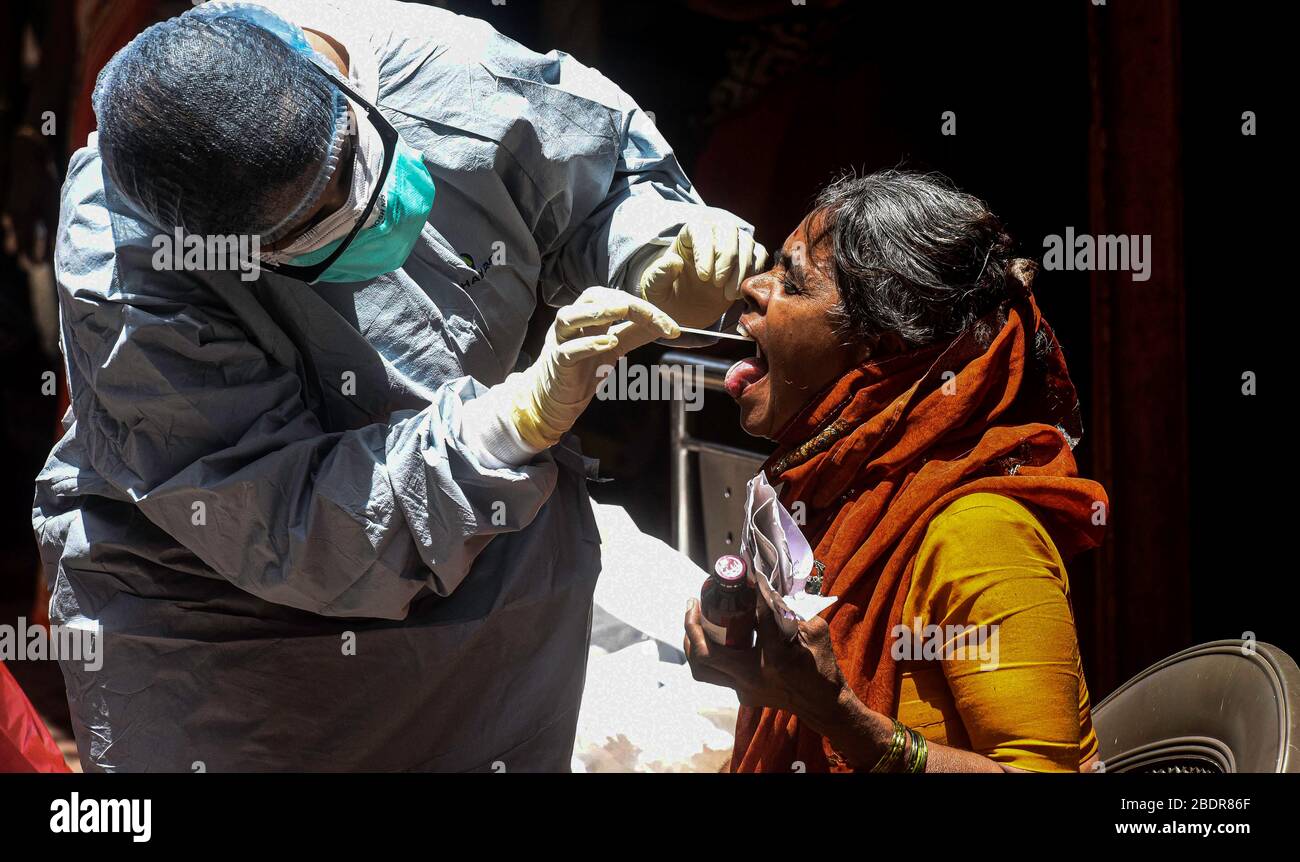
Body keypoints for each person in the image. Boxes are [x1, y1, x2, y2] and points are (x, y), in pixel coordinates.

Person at [33, 0, 765, 772]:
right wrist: (509, 423)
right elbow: (287, 521)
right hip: (226, 647)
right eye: (302, 235)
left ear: (336, 78)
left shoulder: (449, 71)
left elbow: (594, 177)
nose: (357, 218)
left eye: (349, 171)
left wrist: (651, 250)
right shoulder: (127, 272)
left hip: (486, 576)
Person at [684, 170, 1106, 772]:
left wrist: (839, 715)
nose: (752, 287)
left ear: (880, 350)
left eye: (792, 281)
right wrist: (760, 680)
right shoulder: (832, 503)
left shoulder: (978, 531)